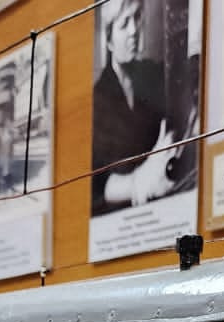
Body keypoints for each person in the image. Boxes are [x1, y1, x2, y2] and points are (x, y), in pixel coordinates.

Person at [91, 0, 190, 215]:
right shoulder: (96, 100)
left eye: (137, 19)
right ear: (109, 39)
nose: (134, 31)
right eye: (124, 24)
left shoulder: (155, 76)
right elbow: (93, 185)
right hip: (120, 220)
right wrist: (138, 181)